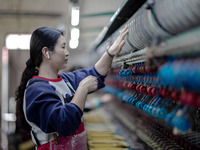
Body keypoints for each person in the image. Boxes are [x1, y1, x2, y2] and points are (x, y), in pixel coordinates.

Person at [15, 25, 128, 150]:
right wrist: (82, 90)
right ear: (46, 52)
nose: (67, 52)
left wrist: (110, 53)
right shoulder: (36, 90)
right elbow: (64, 122)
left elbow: (96, 73)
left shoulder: (65, 80)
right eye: (63, 47)